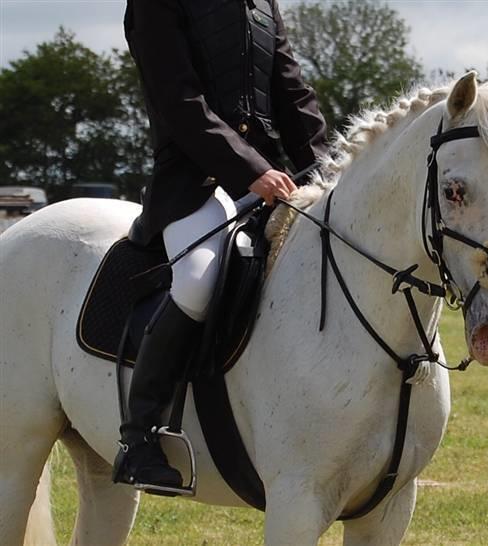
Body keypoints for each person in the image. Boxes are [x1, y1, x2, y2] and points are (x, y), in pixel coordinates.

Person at [113, 0, 327, 489]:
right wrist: (251, 172)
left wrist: (326, 172)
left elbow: (292, 93)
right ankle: (138, 438)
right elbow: (179, 101)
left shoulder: (262, 3)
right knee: (197, 280)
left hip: (275, 179)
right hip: (196, 181)